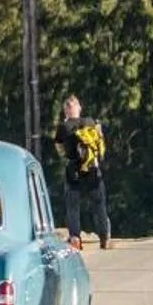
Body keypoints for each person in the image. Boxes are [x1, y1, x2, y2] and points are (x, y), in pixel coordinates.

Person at [53, 96, 110, 250]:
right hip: (92, 167)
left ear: (66, 110)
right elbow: (100, 140)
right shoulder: (90, 122)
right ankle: (104, 238)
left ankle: (76, 239)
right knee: (99, 204)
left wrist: (68, 154)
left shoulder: (63, 128)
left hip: (74, 170)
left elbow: (59, 149)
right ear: (79, 108)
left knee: (73, 206)